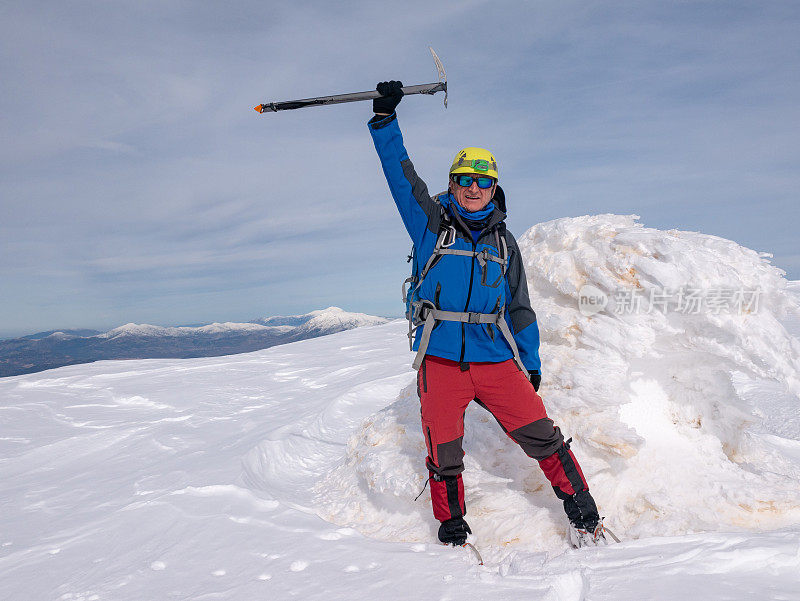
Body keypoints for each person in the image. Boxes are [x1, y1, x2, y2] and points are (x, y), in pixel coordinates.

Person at [368, 81, 605, 548]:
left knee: (544, 437)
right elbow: (401, 177)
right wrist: (385, 122)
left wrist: (530, 364)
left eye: (483, 181)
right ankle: (452, 524)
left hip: (496, 361)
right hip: (439, 361)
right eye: (464, 180)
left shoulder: (505, 244)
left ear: (494, 187)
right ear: (452, 183)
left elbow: (519, 308)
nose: (473, 189)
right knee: (444, 450)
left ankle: (585, 512)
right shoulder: (431, 225)